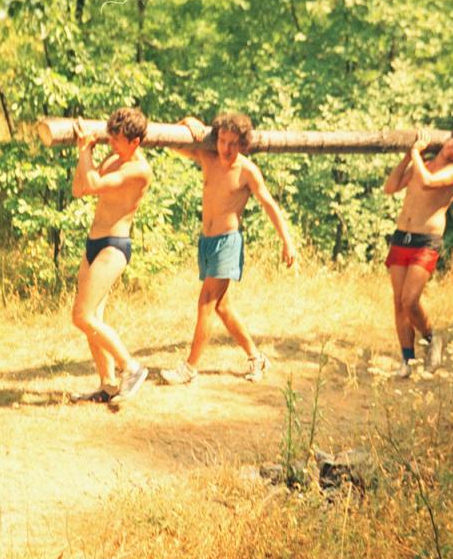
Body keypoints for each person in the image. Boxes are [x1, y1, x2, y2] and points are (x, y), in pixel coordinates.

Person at [160, 112, 296, 385]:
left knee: (206, 301)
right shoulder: (207, 158)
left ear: (243, 143)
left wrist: (287, 240)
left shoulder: (247, 171)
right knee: (222, 307)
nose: (226, 148)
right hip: (206, 242)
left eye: (233, 143)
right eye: (222, 141)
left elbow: (269, 204)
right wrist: (186, 122)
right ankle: (256, 357)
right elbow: (172, 144)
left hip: (228, 242)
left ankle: (189, 368)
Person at [69, 108, 153, 404]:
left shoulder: (138, 170)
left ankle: (131, 367)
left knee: (81, 316)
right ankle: (108, 386)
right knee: (94, 318)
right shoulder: (112, 160)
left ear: (135, 141)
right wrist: (86, 154)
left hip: (114, 245)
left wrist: (84, 151)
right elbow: (80, 189)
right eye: (111, 138)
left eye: (117, 140)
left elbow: (92, 184)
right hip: (93, 243)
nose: (112, 144)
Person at [382, 126, 453, 378]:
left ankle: (432, 337)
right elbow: (390, 187)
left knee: (410, 300)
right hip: (401, 237)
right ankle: (407, 361)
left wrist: (415, 153)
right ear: (449, 139)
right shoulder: (421, 163)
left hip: (425, 240)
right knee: (398, 303)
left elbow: (428, 182)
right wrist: (408, 156)